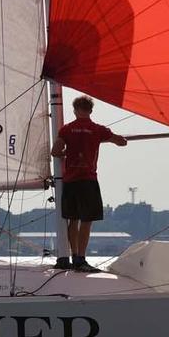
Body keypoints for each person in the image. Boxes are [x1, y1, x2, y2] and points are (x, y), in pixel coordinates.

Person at [52, 96, 127, 271]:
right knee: (87, 220)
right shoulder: (97, 130)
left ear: (75, 110)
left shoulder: (67, 129)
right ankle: (81, 258)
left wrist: (67, 153)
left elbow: (55, 151)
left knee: (73, 219)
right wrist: (106, 139)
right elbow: (121, 142)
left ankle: (74, 255)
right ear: (91, 111)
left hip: (70, 180)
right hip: (88, 179)